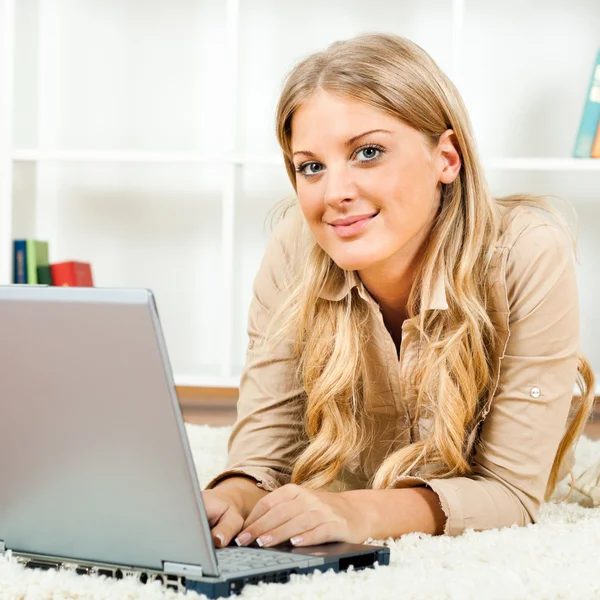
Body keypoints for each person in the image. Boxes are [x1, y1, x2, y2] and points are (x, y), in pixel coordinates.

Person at [201, 32, 595, 549]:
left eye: (367, 152)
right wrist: (232, 497)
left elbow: (511, 493)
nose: (334, 193)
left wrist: (354, 510)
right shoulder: (295, 246)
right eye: (311, 166)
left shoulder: (527, 252)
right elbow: (264, 453)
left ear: (446, 159)